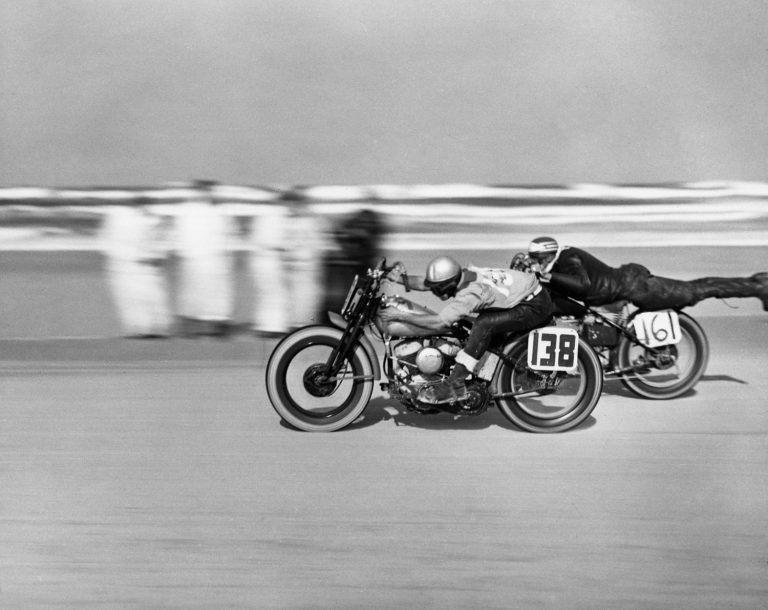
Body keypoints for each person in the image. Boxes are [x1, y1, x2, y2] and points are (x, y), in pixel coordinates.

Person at [379, 255, 553, 403]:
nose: (435, 292)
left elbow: (439, 322)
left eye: (438, 289)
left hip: (533, 305)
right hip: (524, 294)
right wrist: (395, 277)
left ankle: (455, 385)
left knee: (483, 324)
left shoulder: (469, 294)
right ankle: (486, 372)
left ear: (447, 285)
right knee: (470, 326)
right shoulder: (459, 276)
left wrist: (401, 316)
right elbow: (426, 284)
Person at [520, 236, 768, 313]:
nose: (536, 263)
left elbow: (583, 285)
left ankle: (758, 286)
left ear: (549, 254)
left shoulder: (567, 258)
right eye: (533, 259)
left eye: (538, 259)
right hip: (619, 288)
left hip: (635, 287)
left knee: (697, 290)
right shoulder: (557, 262)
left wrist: (548, 277)